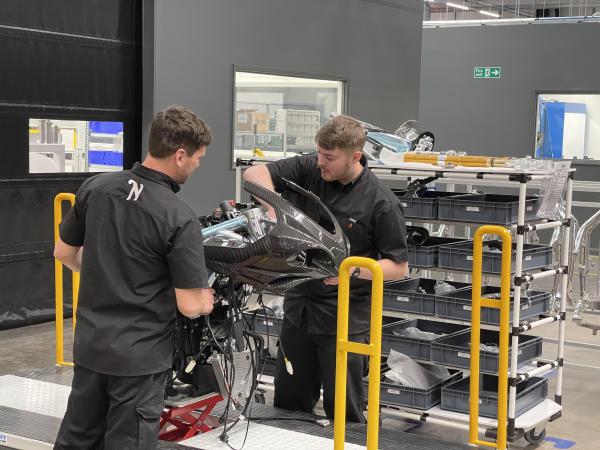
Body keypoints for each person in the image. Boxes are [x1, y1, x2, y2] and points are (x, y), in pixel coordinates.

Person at [53, 105, 215, 449]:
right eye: (199, 158)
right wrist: (206, 300)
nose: (198, 166)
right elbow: (189, 305)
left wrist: (107, 271)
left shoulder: (96, 188)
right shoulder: (179, 217)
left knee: (77, 439)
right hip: (138, 361)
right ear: (181, 155)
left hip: (91, 348)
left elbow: (64, 253)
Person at [243, 115, 409, 422]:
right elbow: (254, 173)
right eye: (319, 153)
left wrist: (349, 272)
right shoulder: (311, 167)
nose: (321, 163)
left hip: (345, 317)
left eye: (329, 158)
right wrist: (274, 207)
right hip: (299, 308)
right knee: (288, 403)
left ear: (355, 156)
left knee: (344, 411)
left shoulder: (380, 202)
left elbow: (398, 267)